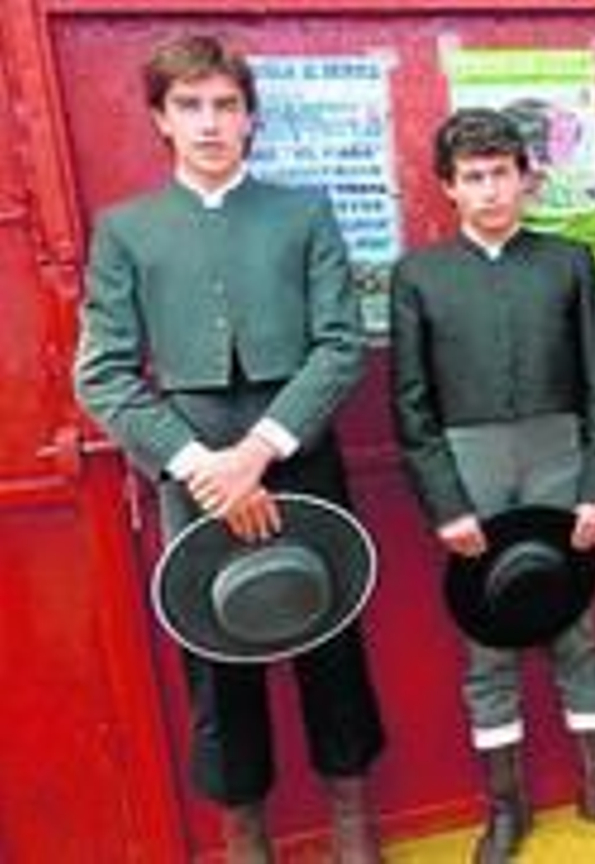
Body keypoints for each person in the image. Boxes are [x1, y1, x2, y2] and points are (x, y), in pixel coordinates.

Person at [72, 33, 385, 862]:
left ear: (251, 119)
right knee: (217, 664)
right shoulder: (127, 231)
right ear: (161, 120)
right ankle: (247, 842)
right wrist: (200, 465)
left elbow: (341, 345)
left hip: (299, 454)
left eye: (225, 105)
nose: (209, 123)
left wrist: (260, 450)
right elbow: (102, 374)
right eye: (190, 106)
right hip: (192, 466)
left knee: (332, 644)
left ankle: (355, 832)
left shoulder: (302, 213)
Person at [389, 108, 595, 861]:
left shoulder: (569, 262)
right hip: (470, 464)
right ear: (448, 187)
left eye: (501, 173)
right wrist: (446, 505)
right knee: (489, 637)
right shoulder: (420, 275)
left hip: (559, 456)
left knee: (580, 625)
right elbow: (410, 404)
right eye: (472, 177)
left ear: (526, 178)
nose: (489, 191)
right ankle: (505, 808)